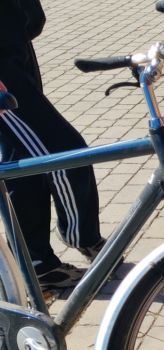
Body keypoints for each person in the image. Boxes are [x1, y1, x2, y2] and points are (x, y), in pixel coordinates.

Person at [1, 0, 105, 290]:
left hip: (14, 51)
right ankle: (83, 237)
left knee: (24, 162)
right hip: (3, 71)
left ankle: (36, 263)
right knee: (63, 151)